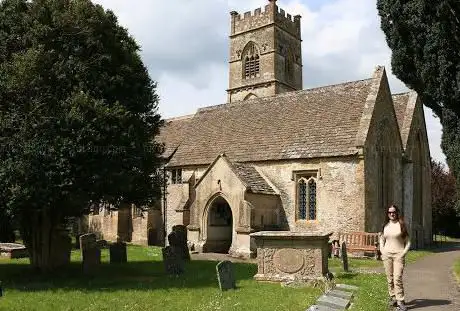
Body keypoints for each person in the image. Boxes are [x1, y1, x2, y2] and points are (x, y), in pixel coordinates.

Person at [379, 204, 411, 311]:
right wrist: (382, 251)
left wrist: (403, 253)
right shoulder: (385, 225)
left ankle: (400, 301)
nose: (392, 214)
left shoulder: (401, 225)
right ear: (387, 214)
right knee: (390, 278)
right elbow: (382, 240)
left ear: (397, 213)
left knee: (397, 278)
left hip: (398, 255)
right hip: (387, 255)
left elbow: (408, 242)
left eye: (393, 212)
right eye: (390, 212)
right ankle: (393, 297)